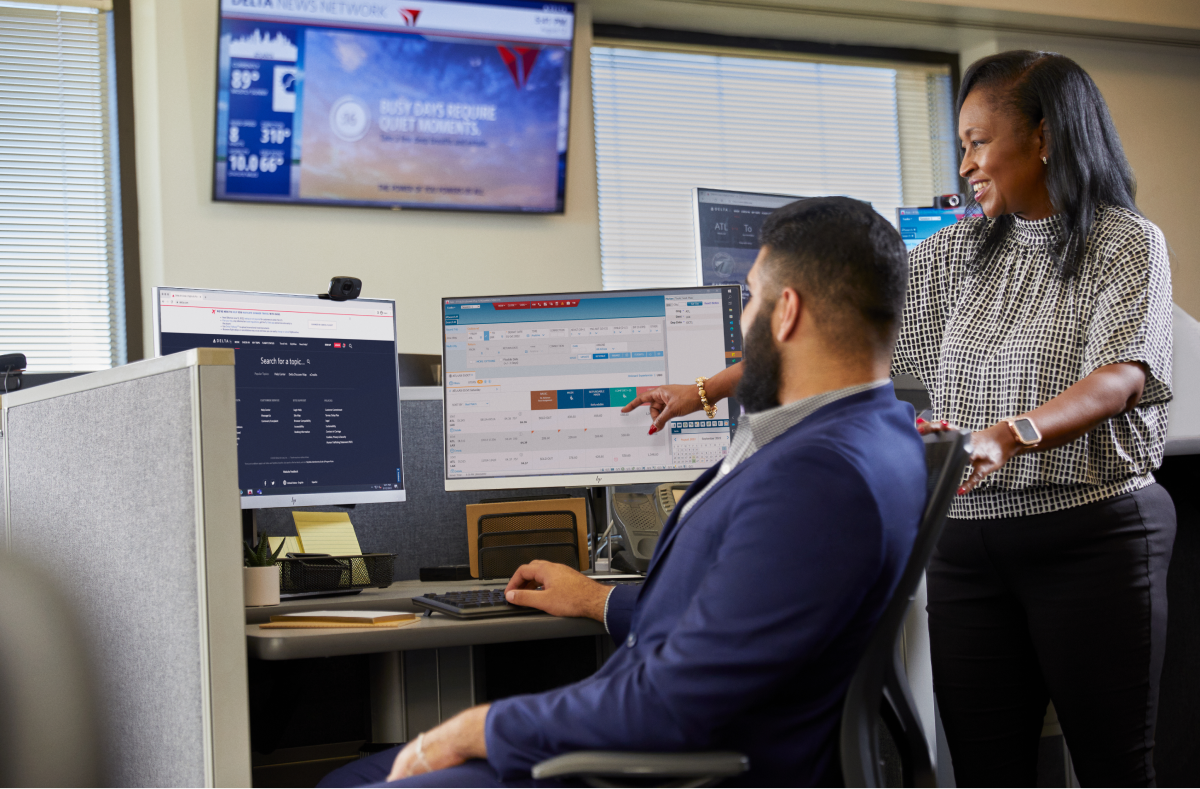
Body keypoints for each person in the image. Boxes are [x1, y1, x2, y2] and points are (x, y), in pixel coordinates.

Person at [630, 51, 1175, 787]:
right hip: (969, 543)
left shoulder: (1124, 241)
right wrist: (703, 388)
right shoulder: (960, 253)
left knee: (1116, 768)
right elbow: (834, 329)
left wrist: (1010, 434)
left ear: (1045, 136)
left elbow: (1121, 375)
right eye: (961, 146)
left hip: (1090, 534)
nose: (968, 163)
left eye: (980, 141)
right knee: (984, 770)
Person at [317, 196, 927, 789]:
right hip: (656, 742)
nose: (742, 323)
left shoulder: (818, 475)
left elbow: (673, 704)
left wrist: (484, 726)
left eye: (749, 299)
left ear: (785, 312)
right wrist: (598, 600)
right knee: (348, 777)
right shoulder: (874, 432)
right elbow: (745, 623)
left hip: (659, 766)